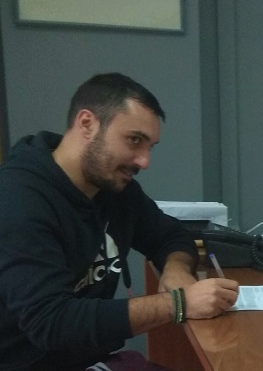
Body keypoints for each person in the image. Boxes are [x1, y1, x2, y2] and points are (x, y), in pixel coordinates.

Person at [0, 73, 240, 370]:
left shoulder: (114, 189)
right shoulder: (17, 200)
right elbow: (52, 323)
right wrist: (179, 303)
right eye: (134, 140)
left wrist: (176, 271)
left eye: (149, 147)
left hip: (94, 360)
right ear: (87, 124)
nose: (144, 161)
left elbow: (171, 236)